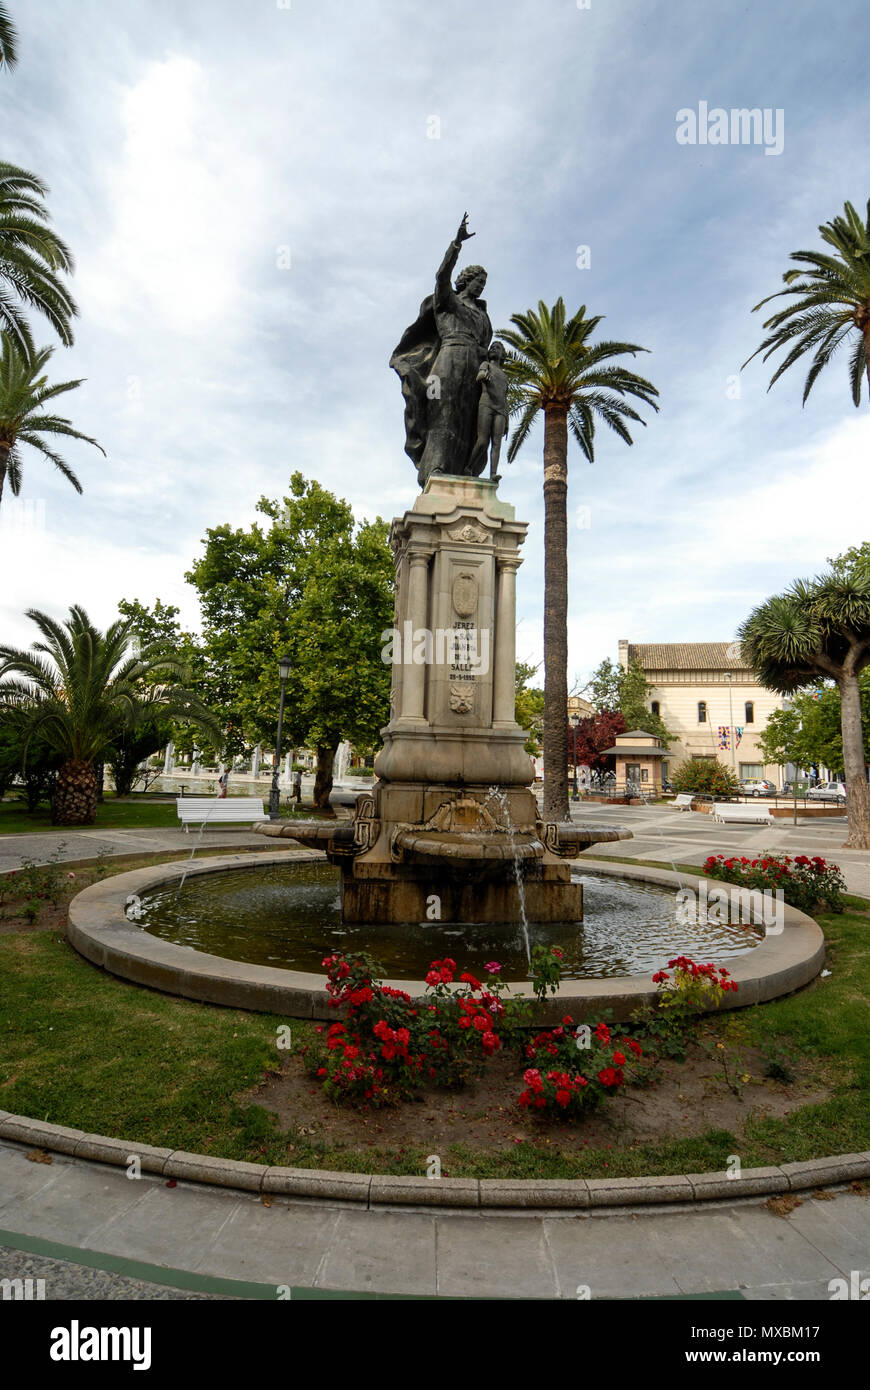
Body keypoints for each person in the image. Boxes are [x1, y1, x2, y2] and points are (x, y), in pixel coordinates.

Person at [390, 214, 492, 486]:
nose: (480, 286)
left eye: (483, 283)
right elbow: (441, 275)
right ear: (466, 281)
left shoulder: (482, 315)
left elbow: (485, 345)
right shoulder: (447, 301)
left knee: (468, 419)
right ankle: (434, 468)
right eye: (477, 281)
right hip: (447, 362)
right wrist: (456, 244)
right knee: (443, 414)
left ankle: (463, 472)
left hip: (474, 367)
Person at [469, 341, 508, 481]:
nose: (493, 349)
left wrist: (507, 420)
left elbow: (505, 397)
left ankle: (493, 474)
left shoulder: (504, 376)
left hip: (501, 410)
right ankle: (468, 467)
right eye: (491, 347)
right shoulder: (486, 365)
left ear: (502, 354)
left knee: (496, 444)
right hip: (486, 404)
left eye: (497, 348)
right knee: (483, 441)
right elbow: (479, 376)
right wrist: (484, 376)